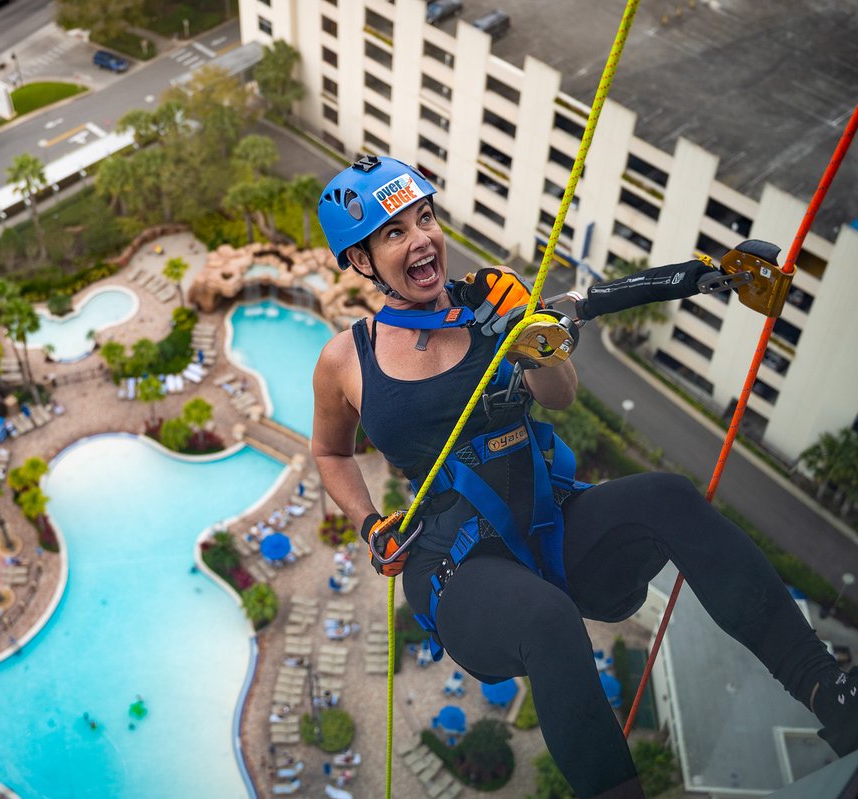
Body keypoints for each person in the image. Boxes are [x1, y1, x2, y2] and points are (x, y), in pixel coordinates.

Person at [310, 156, 856, 798]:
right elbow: (331, 453)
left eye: (424, 217)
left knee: (669, 498)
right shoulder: (348, 359)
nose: (422, 238)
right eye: (393, 232)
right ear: (360, 261)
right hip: (457, 569)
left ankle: (827, 689)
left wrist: (530, 338)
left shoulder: (490, 304)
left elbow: (560, 395)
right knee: (543, 618)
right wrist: (370, 524)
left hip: (550, 525)